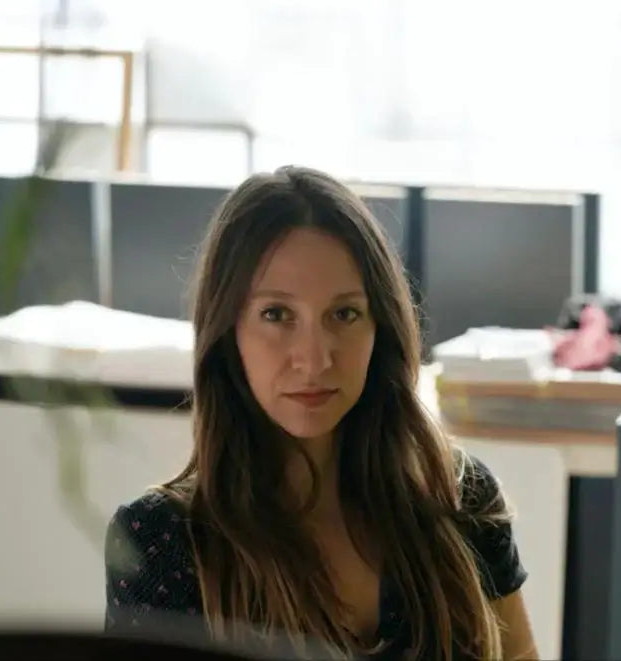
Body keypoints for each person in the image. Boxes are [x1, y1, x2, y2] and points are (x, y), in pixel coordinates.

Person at [103, 166, 537, 660]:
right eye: (276, 315)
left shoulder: (459, 498)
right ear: (228, 332)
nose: (314, 358)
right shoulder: (163, 540)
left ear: (381, 327)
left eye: (344, 314)